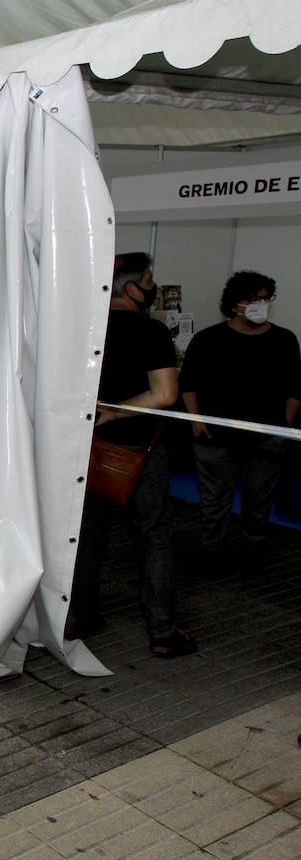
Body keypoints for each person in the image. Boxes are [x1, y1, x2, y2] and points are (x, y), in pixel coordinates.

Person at [69, 252, 195, 657]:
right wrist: (118, 411)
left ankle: (82, 616)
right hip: (140, 452)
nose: (152, 288)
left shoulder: (80, 328)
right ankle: (162, 632)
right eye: (149, 280)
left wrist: (99, 414)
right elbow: (166, 394)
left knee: (87, 539)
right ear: (130, 286)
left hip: (86, 450)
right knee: (154, 537)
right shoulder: (151, 331)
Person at [180, 270, 301, 557]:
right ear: (235, 303)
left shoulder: (284, 339)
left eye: (265, 298)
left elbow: (295, 386)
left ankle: (253, 551)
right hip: (216, 438)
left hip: (266, 437)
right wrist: (196, 420)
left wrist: (284, 422)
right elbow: (189, 383)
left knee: (260, 500)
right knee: (215, 501)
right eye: (252, 299)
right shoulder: (209, 339)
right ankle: (212, 551)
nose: (260, 304)